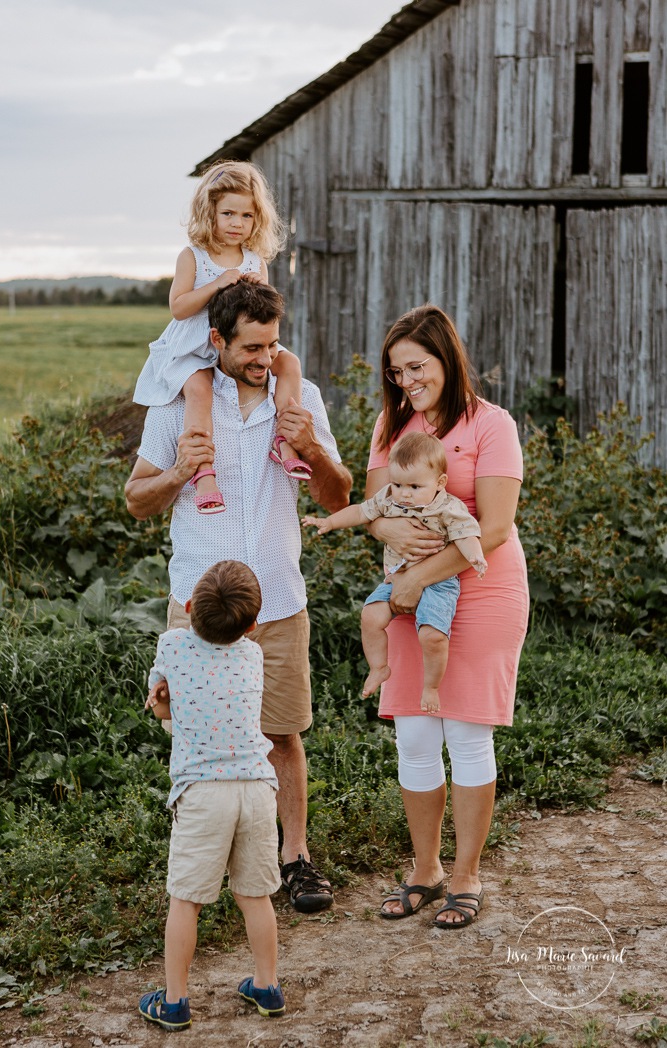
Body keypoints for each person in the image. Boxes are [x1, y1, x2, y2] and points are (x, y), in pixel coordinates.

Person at [125, 280, 352, 915]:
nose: (266, 358)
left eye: (273, 344)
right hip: (200, 607)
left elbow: (338, 496)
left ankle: (296, 859)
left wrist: (308, 445)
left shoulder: (299, 397)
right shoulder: (178, 406)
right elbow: (136, 501)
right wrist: (176, 472)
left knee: (281, 735)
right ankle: (201, 867)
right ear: (218, 339)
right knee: (193, 734)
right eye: (252, 346)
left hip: (278, 599)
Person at [366, 305, 528, 927]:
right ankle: (425, 870)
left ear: (446, 358)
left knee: (466, 733)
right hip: (412, 594)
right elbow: (377, 507)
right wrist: (384, 533)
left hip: (483, 591)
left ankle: (466, 876)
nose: (407, 380)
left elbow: (493, 527)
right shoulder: (392, 424)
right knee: (413, 735)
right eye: (397, 370)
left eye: (417, 366)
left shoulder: (492, 424)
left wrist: (414, 579)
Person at [138, 561, 285, 1030]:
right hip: (258, 788)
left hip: (203, 792)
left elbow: (159, 697)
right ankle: (267, 985)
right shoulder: (253, 655)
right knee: (255, 895)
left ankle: (176, 1001)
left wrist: (160, 699)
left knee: (186, 901)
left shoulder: (171, 643)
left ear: (186, 609)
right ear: (253, 625)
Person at [133, 160, 309, 515]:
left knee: (290, 363)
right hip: (195, 348)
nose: (237, 224)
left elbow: (262, 311)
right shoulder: (194, 257)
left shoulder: (255, 260)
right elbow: (179, 307)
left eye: (246, 216)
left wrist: (259, 290)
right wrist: (217, 284)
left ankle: (285, 441)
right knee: (199, 391)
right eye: (228, 213)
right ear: (208, 212)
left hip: (237, 346)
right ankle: (203, 472)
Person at [302, 432, 487, 713]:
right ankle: (378, 667)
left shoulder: (448, 507)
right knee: (370, 616)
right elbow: (361, 512)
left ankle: (432, 686)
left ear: (439, 483)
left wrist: (475, 555)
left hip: (438, 582)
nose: (404, 493)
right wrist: (329, 522)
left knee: (432, 636)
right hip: (396, 577)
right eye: (398, 483)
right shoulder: (389, 499)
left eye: (414, 486)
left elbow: (465, 534)